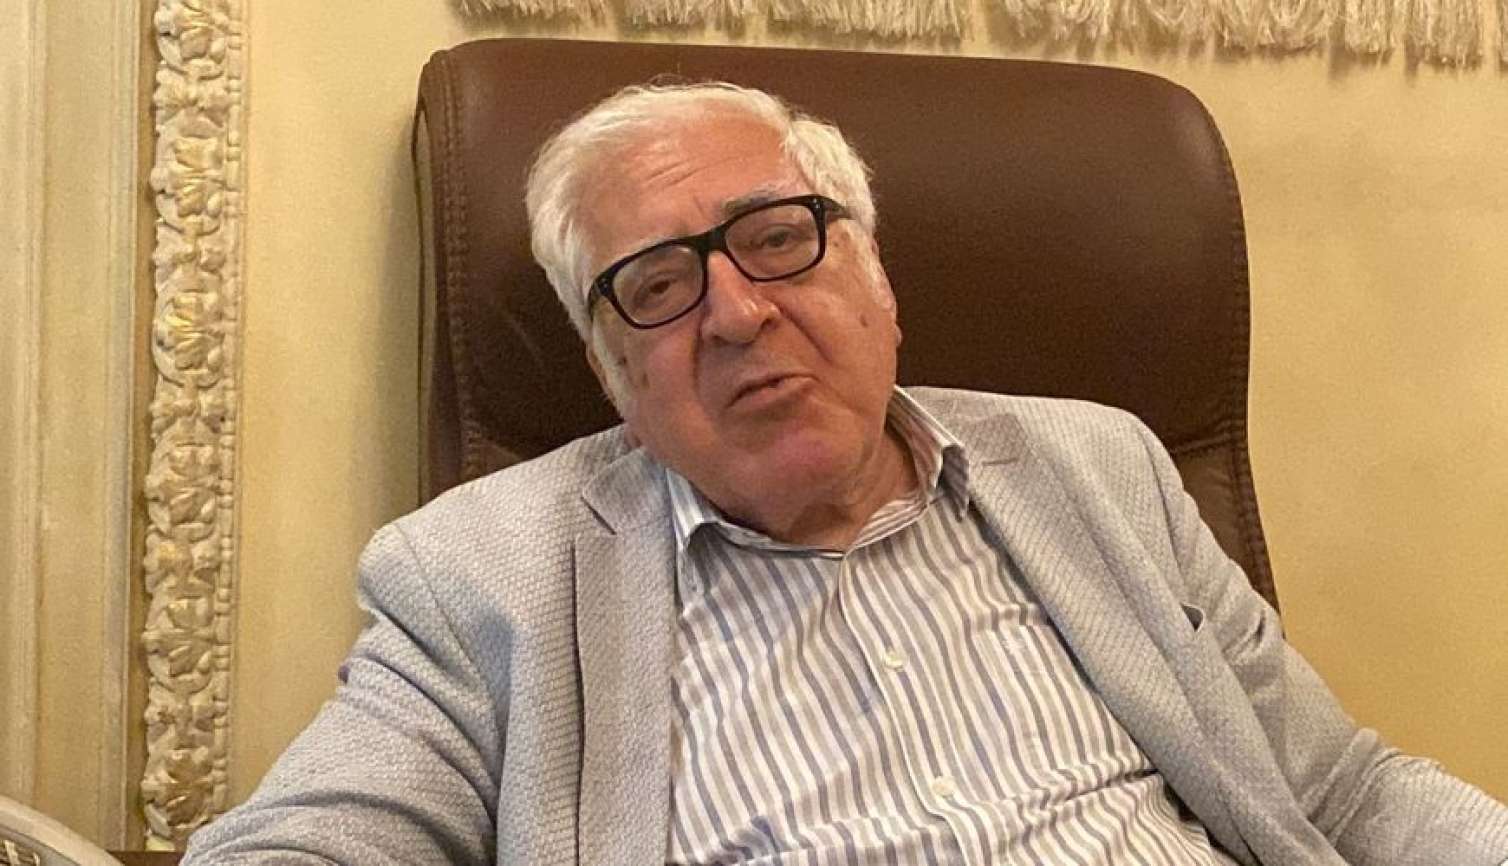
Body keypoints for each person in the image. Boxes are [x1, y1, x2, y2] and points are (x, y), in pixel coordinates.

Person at [183, 82, 1508, 866]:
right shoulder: (481, 573)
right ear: (613, 376)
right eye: (656, 284)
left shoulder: (1100, 464)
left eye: (778, 238)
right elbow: (311, 841)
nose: (738, 313)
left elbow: (1343, 790)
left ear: (876, 275)